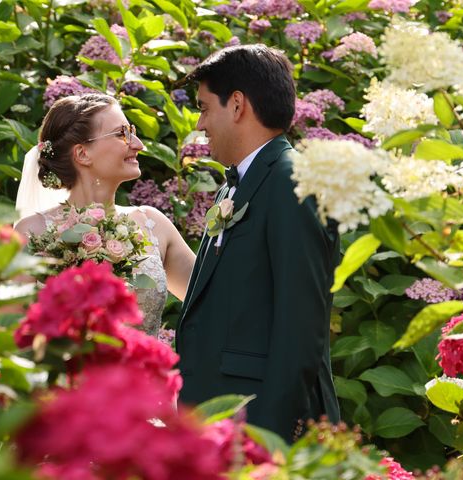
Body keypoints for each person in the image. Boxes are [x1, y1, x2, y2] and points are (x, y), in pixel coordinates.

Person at [175, 44, 340, 441]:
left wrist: (267, 439)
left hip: (261, 424)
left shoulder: (293, 181)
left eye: (203, 108)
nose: (199, 124)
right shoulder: (238, 185)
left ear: (236, 105)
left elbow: (301, 325)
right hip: (222, 420)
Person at [15, 94, 195, 336]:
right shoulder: (31, 233)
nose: (138, 144)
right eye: (122, 133)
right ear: (82, 154)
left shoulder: (154, 225)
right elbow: (12, 337)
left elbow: (216, 302)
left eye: (131, 130)